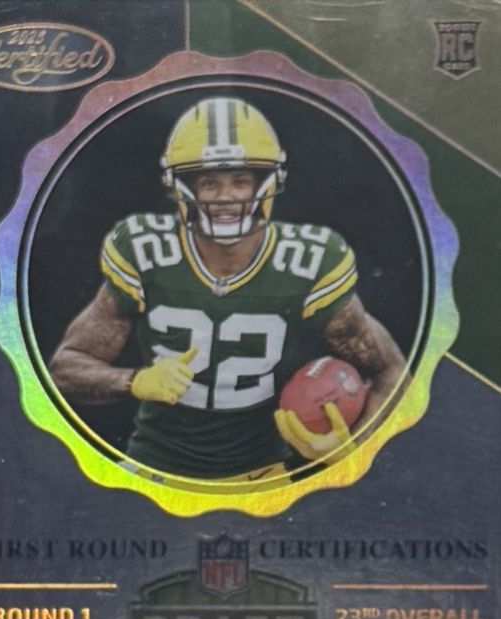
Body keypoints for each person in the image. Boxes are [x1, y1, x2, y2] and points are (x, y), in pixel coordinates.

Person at [50, 97, 406, 481]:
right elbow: (66, 367)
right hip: (153, 467)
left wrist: (350, 451)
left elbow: (391, 371)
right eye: (209, 183)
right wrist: (134, 381)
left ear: (268, 183)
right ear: (181, 187)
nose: (226, 197)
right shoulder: (146, 252)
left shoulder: (309, 262)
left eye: (240, 181)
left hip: (265, 474)